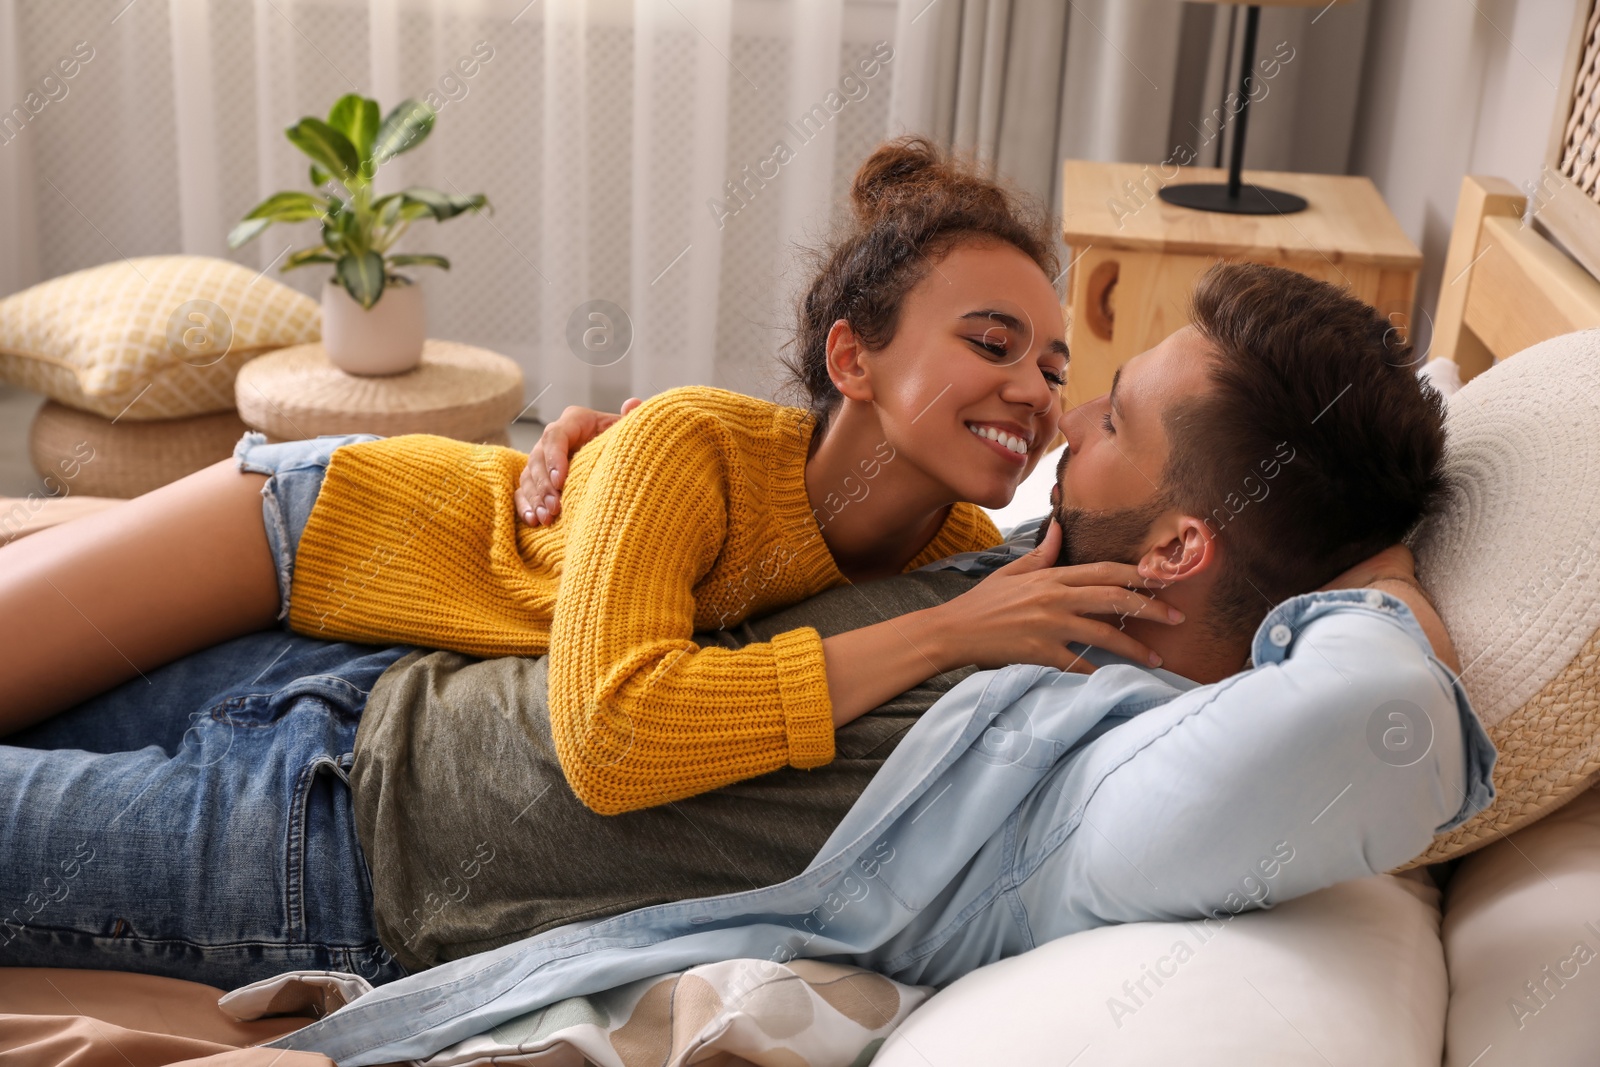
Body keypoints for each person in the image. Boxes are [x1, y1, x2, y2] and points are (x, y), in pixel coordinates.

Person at [0, 246, 1470, 998]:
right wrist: (630, 462)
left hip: (321, 859)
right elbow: (810, 499)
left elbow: (1372, 732)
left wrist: (1381, 560)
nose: (1067, 415)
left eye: (1118, 410)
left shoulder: (1105, 787)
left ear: (1189, 539)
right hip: (365, 672)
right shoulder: (1042, 569)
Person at [0, 138, 1187, 819]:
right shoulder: (695, 446)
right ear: (851, 357)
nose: (1034, 388)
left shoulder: (961, 547)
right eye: (989, 344)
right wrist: (940, 637)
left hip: (387, 645)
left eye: (1051, 362)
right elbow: (616, 740)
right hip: (311, 524)